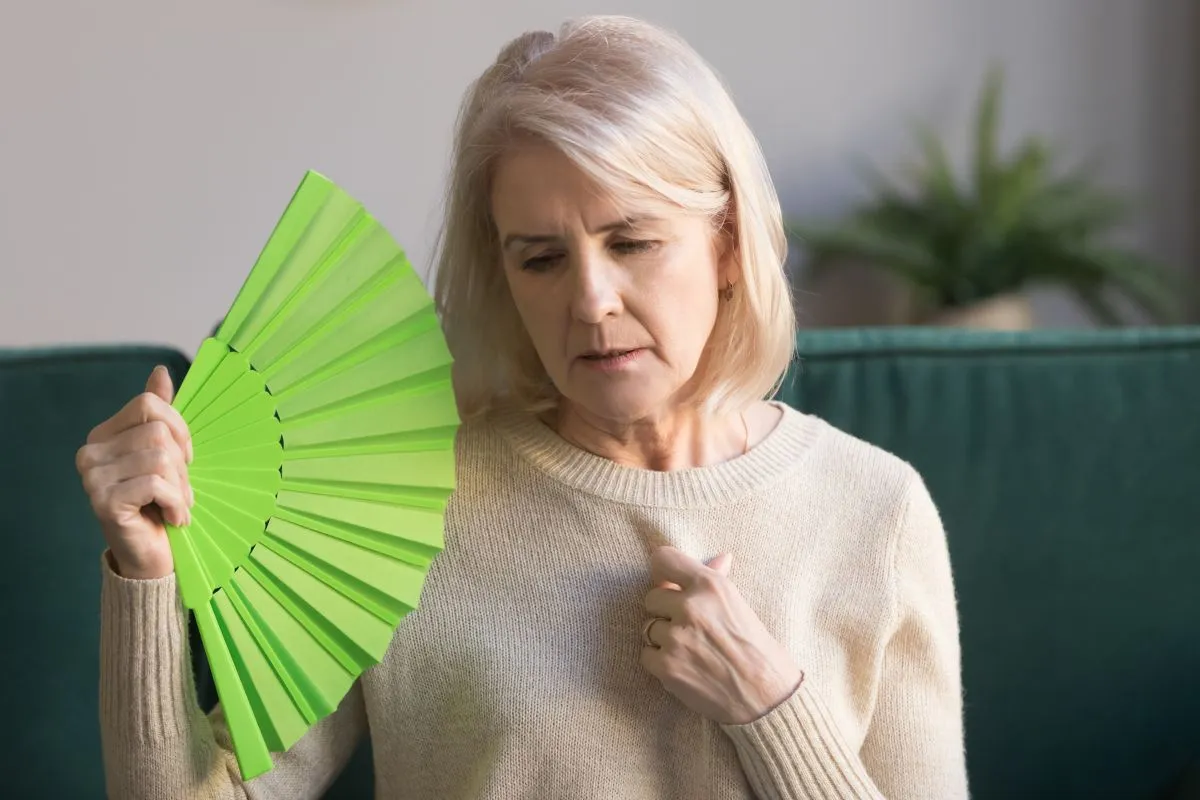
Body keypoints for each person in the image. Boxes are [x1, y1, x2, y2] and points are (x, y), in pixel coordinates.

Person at [76, 15, 968, 800]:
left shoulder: (876, 512)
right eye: (541, 258)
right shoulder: (396, 504)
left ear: (728, 245)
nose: (591, 301)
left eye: (633, 241)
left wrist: (770, 706)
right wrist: (145, 579)